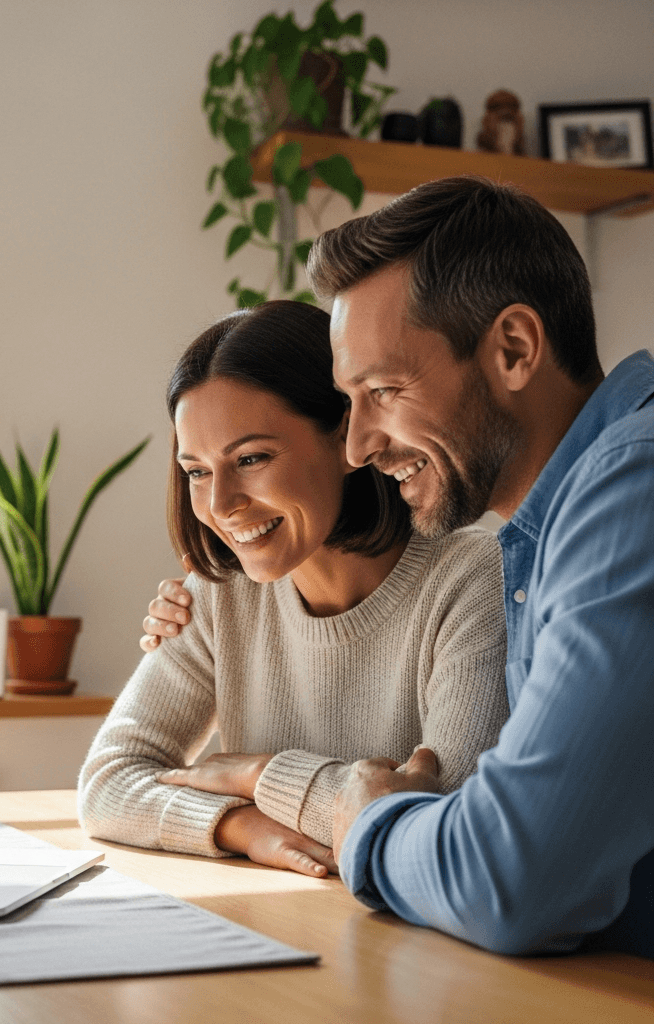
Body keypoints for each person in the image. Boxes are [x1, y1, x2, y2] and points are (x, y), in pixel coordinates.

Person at [304, 174, 653, 958]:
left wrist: (369, 821)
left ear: (514, 350)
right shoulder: (548, 528)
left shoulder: (635, 495)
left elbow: (514, 879)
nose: (358, 447)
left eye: (385, 390)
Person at [78, 301, 509, 877]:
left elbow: (445, 819)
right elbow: (108, 781)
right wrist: (239, 825)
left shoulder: (473, 580)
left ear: (346, 438)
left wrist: (262, 776)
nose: (220, 504)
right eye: (197, 471)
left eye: (251, 458)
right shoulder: (219, 595)